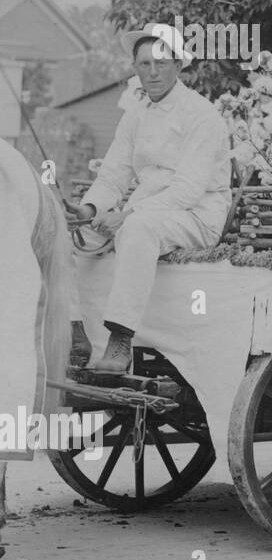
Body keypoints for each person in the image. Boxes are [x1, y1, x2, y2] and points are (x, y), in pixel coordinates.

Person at [64, 24, 233, 373]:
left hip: (197, 215)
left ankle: (120, 339)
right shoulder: (136, 115)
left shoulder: (202, 115)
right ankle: (75, 331)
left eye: (160, 62)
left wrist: (126, 216)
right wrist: (89, 208)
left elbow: (187, 190)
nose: (152, 72)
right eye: (144, 65)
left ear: (178, 64)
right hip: (149, 211)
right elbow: (113, 174)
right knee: (75, 236)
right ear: (135, 68)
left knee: (138, 228)